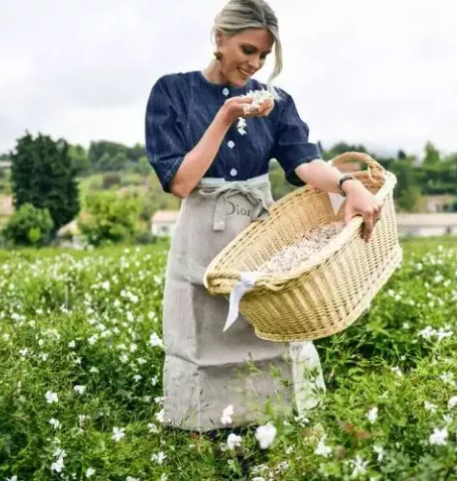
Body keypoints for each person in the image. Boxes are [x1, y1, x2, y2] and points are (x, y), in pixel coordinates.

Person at [144, 0, 383, 432]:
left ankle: (279, 436)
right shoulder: (172, 93)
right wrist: (225, 116)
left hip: (260, 236)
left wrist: (349, 186)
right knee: (200, 341)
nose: (254, 64)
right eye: (247, 50)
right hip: (202, 236)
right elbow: (180, 182)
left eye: (263, 56)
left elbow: (303, 162)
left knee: (274, 334)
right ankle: (203, 442)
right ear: (219, 39)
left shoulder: (276, 101)